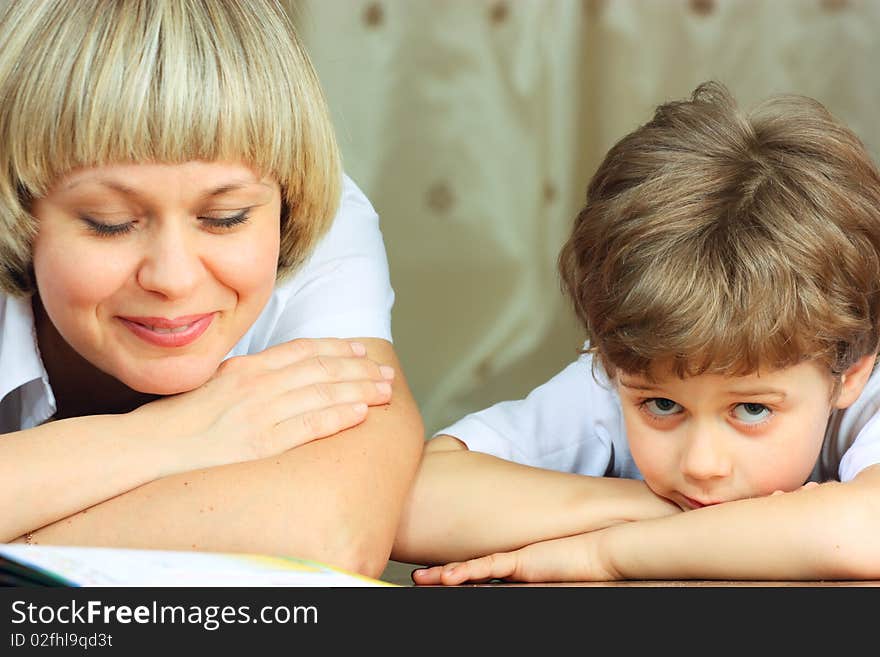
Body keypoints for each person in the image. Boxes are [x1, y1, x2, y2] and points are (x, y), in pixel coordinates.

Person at [0, 0, 423, 579]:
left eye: (224, 219)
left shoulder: (312, 212)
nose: (173, 280)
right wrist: (169, 437)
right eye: (109, 222)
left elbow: (324, 531)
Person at [393, 81, 880, 583]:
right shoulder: (617, 378)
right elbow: (411, 503)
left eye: (752, 409)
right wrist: (643, 508)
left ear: (852, 373)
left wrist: (604, 554)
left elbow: (868, 531)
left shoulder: (867, 398)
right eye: (663, 407)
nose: (701, 465)